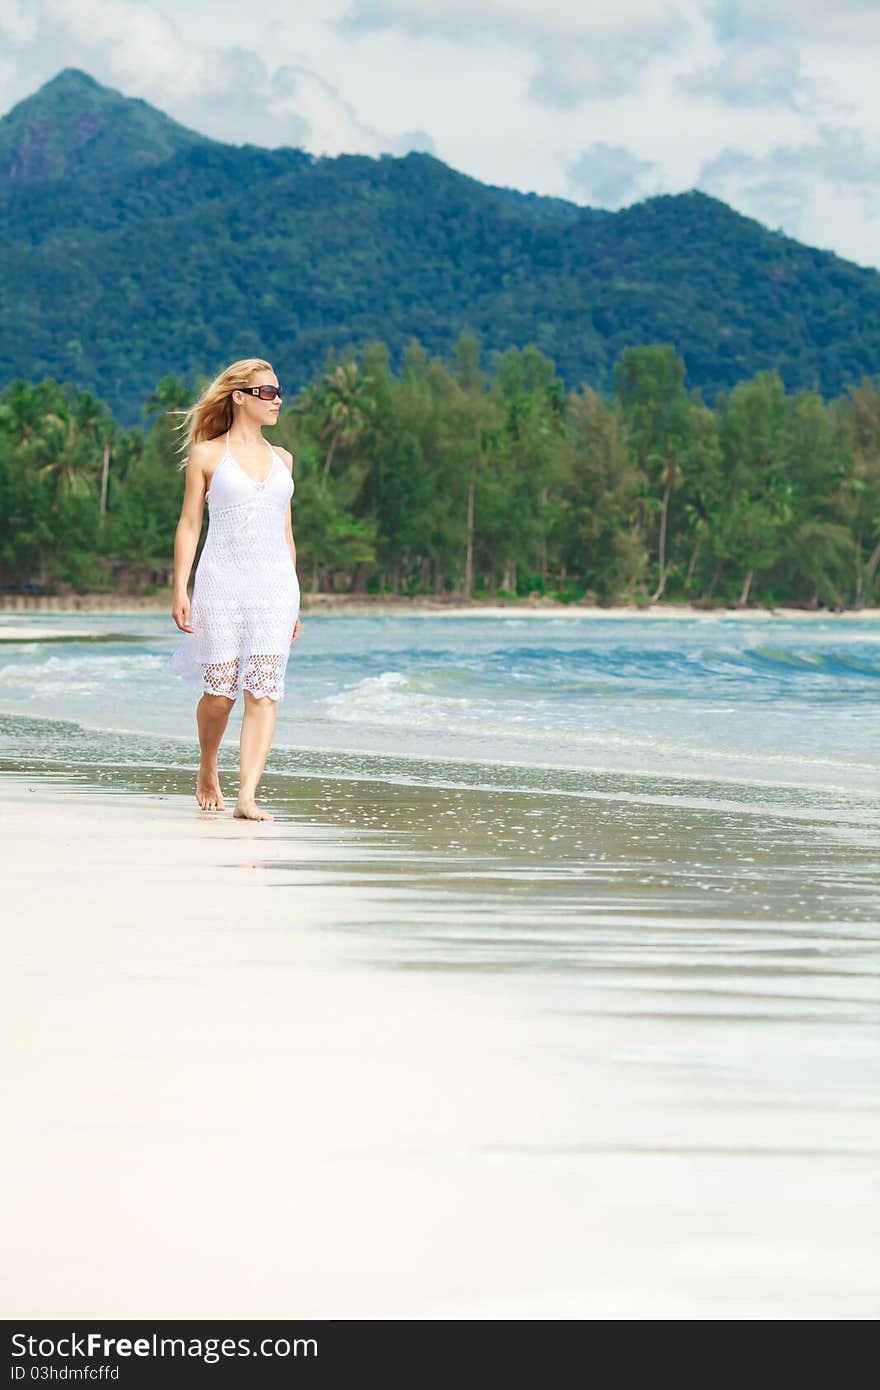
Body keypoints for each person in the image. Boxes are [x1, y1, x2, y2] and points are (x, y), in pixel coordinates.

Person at [166, 358, 301, 822]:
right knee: (221, 694)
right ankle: (207, 765)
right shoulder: (207, 455)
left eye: (279, 391)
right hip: (220, 584)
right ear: (240, 397)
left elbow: (286, 535)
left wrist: (296, 601)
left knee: (263, 692)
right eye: (267, 392)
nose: (277, 399)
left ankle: (247, 796)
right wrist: (179, 588)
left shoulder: (283, 459)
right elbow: (188, 525)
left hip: (275, 588)